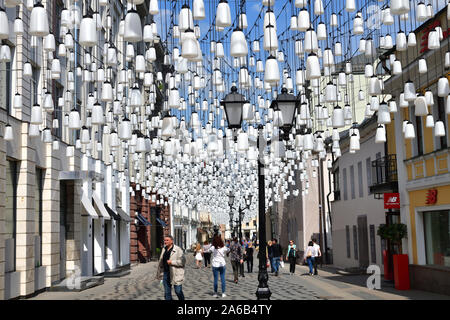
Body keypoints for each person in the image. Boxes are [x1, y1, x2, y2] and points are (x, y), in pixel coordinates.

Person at [155, 235, 185, 300]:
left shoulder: (178, 249)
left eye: (167, 240)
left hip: (175, 274)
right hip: (165, 273)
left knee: (178, 291)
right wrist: (160, 273)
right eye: (165, 240)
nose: (165, 242)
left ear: (172, 241)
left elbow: (182, 262)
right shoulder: (164, 249)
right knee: (167, 293)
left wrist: (172, 262)